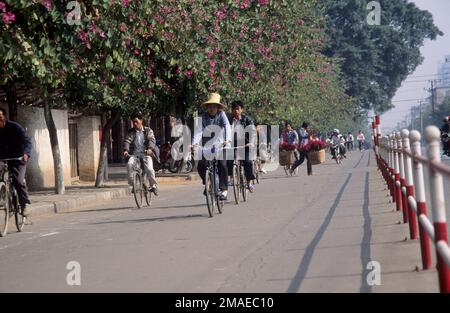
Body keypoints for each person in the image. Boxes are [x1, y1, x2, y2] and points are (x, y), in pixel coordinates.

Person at [192, 93, 231, 201]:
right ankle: (208, 181)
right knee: (200, 165)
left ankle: (224, 189)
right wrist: (194, 144)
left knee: (223, 164)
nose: (212, 108)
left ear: (218, 107)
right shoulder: (202, 117)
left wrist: (228, 140)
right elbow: (199, 131)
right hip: (207, 146)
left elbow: (227, 127)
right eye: (210, 106)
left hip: (221, 145)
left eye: (214, 106)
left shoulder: (222, 115)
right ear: (207, 107)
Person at [0, 107, 32, 216]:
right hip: (2, 158)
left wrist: (26, 153)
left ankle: (23, 205)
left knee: (18, 181)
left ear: (4, 116)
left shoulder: (15, 127)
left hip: (18, 158)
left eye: (0, 117)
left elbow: (27, 141)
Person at [123, 111, 159, 196]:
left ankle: (153, 185)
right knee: (129, 165)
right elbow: (127, 141)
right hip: (134, 155)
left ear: (141, 121)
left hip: (146, 154)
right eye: (133, 122)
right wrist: (126, 150)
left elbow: (151, 140)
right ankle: (133, 185)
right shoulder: (130, 131)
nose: (135, 124)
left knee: (149, 169)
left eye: (136, 122)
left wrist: (150, 149)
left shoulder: (148, 130)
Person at [227, 101, 257, 193]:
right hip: (233, 145)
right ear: (232, 110)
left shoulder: (247, 120)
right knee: (228, 161)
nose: (236, 111)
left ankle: (249, 183)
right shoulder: (229, 120)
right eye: (234, 109)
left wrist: (251, 142)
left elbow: (252, 132)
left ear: (241, 109)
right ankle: (232, 177)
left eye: (238, 109)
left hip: (245, 144)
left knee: (247, 162)